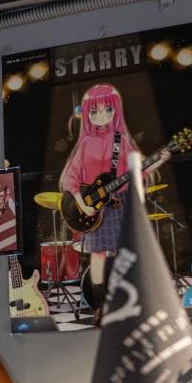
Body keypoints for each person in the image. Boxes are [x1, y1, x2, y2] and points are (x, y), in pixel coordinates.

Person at [60, 83, 168, 321]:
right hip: (94, 207)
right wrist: (83, 204)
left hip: (120, 201)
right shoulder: (86, 143)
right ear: (87, 114)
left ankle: (128, 302)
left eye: (107, 109)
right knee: (98, 255)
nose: (101, 115)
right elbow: (71, 178)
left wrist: (157, 162)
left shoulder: (121, 140)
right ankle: (100, 305)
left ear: (115, 110)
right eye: (94, 111)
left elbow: (136, 172)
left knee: (125, 253)